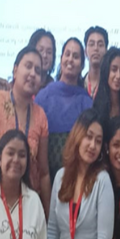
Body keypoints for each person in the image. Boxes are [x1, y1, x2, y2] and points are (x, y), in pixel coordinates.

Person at [0, 46, 51, 212]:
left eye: (38, 71)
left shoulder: (40, 115)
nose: (32, 74)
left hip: (28, 205)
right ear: (15, 70)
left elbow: (43, 172)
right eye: (28, 66)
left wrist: (46, 215)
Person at [47, 109, 114, 239]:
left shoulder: (102, 181)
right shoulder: (60, 177)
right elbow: (52, 231)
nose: (92, 145)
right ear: (78, 135)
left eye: (98, 141)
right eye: (88, 137)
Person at [36, 38, 93, 181]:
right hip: (45, 177)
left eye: (76, 56)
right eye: (67, 54)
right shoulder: (43, 97)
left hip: (77, 178)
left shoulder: (86, 102)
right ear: (61, 59)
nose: (70, 59)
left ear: (82, 65)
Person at [83, 26, 109, 98]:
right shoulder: (78, 85)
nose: (96, 48)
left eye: (100, 45)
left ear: (106, 51)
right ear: (85, 51)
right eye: (91, 44)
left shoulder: (111, 87)